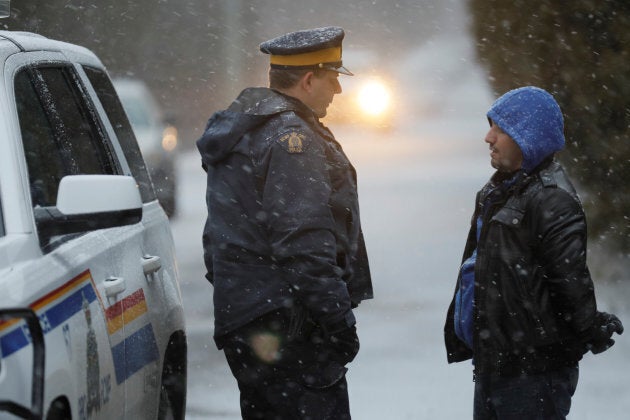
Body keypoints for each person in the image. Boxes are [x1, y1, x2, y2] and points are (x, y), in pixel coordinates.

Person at [196, 26, 373, 419]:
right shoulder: (291, 138)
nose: (338, 91)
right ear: (309, 80)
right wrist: (337, 319)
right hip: (291, 326)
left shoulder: (246, 127)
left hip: (252, 321)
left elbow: (218, 238)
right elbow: (304, 243)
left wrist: (247, 295)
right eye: (333, 79)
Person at [444, 86, 624, 419]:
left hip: (532, 376)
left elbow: (569, 281)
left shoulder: (551, 200)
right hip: (495, 367)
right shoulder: (497, 192)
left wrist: (589, 328)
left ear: (527, 138)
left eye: (499, 129)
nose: (488, 137)